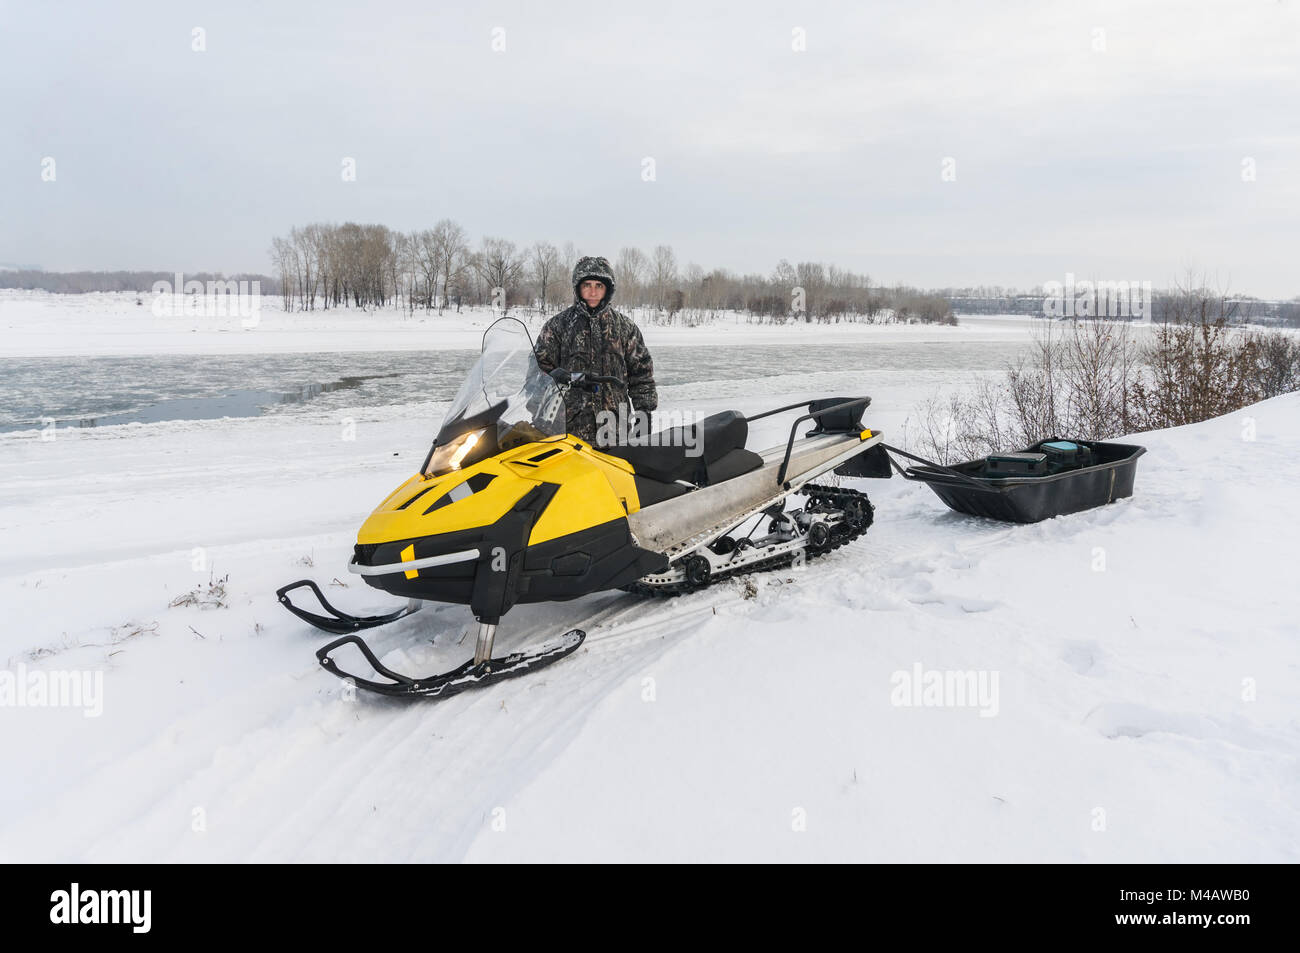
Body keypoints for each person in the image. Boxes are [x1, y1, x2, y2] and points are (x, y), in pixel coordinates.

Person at [535, 255, 658, 446]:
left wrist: (645, 416)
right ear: (578, 288)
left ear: (607, 289)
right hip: (569, 432)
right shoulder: (557, 326)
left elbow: (641, 375)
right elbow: (536, 373)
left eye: (599, 286)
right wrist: (552, 378)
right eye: (587, 285)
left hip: (615, 430)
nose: (593, 292)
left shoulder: (625, 328)